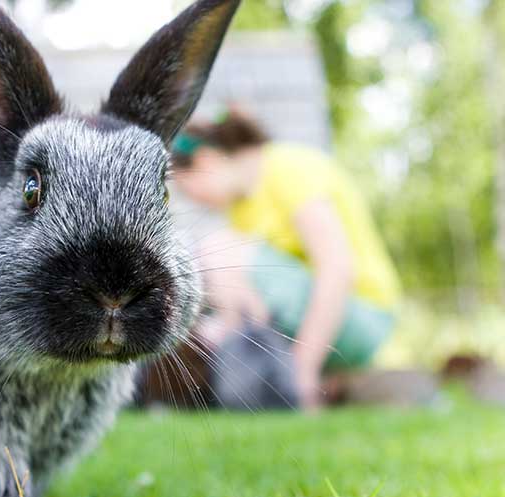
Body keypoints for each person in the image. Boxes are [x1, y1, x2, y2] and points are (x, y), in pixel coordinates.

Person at [172, 109, 402, 411]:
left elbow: (337, 268)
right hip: (329, 323)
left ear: (206, 161)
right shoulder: (242, 210)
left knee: (215, 251)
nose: (196, 201)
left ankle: (287, 378)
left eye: (191, 191)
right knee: (219, 272)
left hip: (364, 314)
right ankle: (261, 378)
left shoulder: (286, 167)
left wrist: (303, 371)